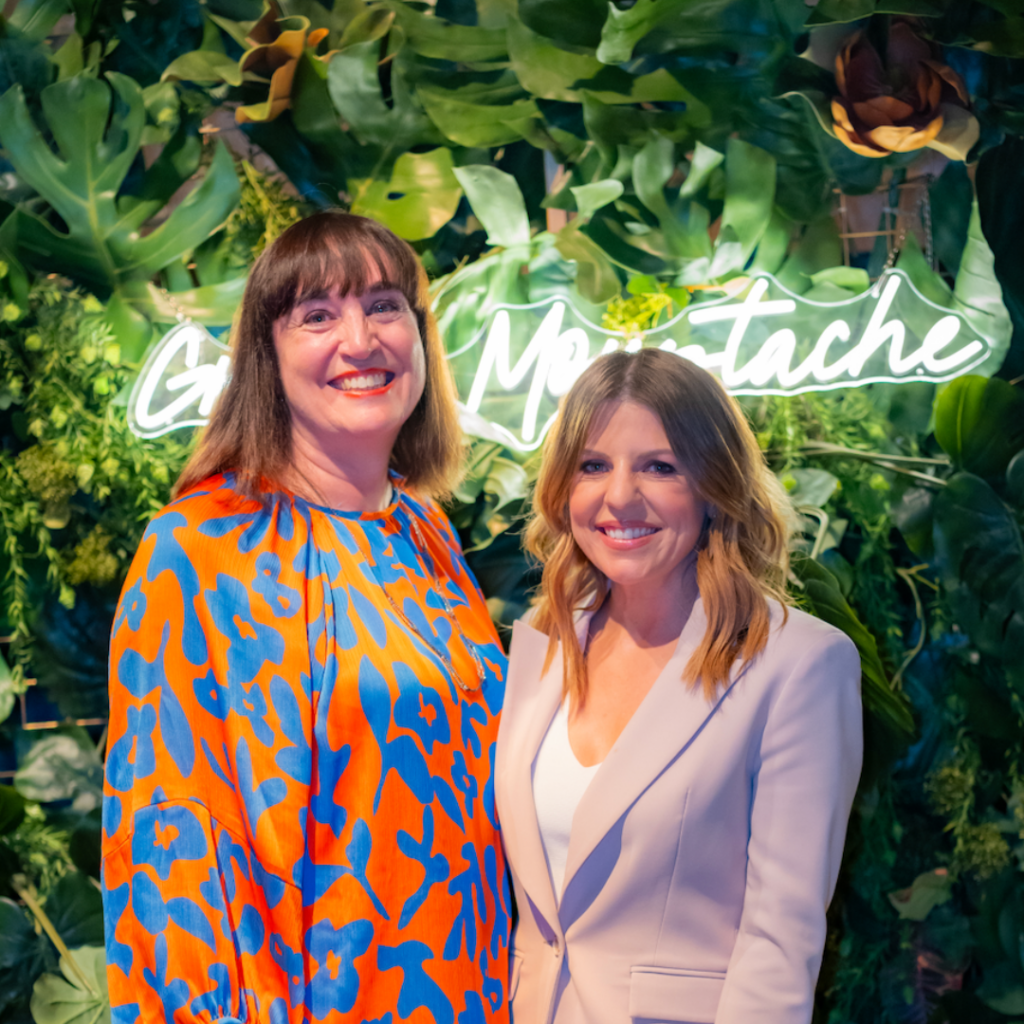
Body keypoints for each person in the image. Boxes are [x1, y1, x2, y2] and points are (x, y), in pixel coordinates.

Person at [102, 212, 511, 1024]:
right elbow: (171, 851)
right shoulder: (200, 549)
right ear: (268, 355)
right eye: (317, 316)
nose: (361, 340)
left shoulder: (423, 528)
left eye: (385, 306)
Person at [495, 348, 862, 1024]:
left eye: (659, 467)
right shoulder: (544, 647)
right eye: (592, 465)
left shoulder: (799, 665)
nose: (619, 496)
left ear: (714, 486)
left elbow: (778, 946)